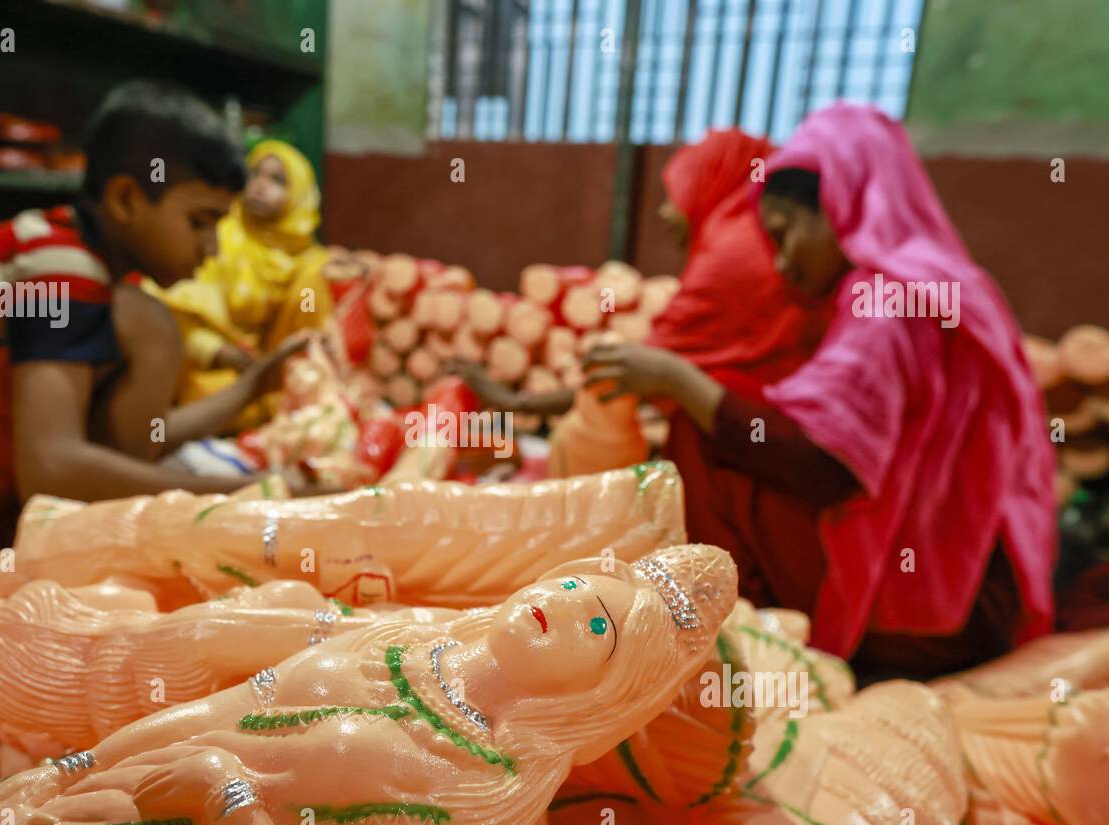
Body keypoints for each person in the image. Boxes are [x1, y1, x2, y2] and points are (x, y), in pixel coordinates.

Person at [583, 104, 1055, 677]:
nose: (780, 263)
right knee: (724, 408)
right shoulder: (945, 280)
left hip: (934, 618)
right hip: (985, 593)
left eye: (785, 235)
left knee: (703, 430)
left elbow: (824, 464)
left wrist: (676, 379)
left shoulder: (885, 299)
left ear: (838, 207)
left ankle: (738, 635)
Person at [0, 82, 308, 555]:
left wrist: (248, 390)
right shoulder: (59, 265)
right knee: (146, 323)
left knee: (136, 327)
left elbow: (130, 441)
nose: (212, 248)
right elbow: (50, 467)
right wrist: (253, 492)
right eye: (199, 222)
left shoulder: (89, 267)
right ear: (126, 199)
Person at [447, 128, 821, 414]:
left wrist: (514, 402)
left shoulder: (731, 257)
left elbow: (632, 376)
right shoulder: (755, 236)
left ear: (711, 183)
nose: (664, 212)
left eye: (674, 194)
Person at [151, 139, 335, 432]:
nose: (261, 186)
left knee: (313, 280)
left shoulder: (308, 260)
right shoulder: (222, 233)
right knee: (209, 392)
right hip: (208, 364)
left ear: (301, 195)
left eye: (277, 180)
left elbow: (308, 331)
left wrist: (270, 368)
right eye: (255, 174)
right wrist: (218, 352)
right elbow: (175, 304)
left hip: (266, 367)